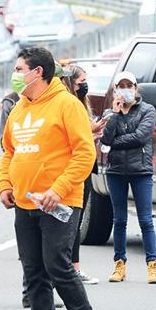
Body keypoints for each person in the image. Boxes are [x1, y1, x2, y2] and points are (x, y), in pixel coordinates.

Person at [0, 47, 104, 310]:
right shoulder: (19, 109)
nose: (15, 75)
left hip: (59, 202)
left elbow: (84, 153)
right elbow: (9, 152)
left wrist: (58, 189)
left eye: (20, 69)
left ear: (38, 72)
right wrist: (4, 184)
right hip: (25, 202)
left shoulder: (66, 105)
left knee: (57, 265)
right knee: (33, 272)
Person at [100, 70, 156, 284]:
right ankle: (119, 264)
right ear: (115, 90)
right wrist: (115, 115)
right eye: (121, 86)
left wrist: (115, 142)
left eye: (129, 86)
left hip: (141, 170)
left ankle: (152, 264)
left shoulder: (147, 110)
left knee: (146, 220)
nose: (125, 90)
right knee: (119, 220)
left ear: (136, 88)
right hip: (116, 171)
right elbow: (105, 139)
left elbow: (140, 137)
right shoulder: (110, 113)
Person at [61, 64, 105, 285]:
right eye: (81, 82)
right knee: (68, 222)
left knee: (75, 223)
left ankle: (74, 268)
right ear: (70, 82)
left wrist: (93, 131)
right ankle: (67, 270)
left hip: (85, 167)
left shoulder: (80, 104)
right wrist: (91, 130)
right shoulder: (67, 105)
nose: (85, 86)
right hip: (70, 170)